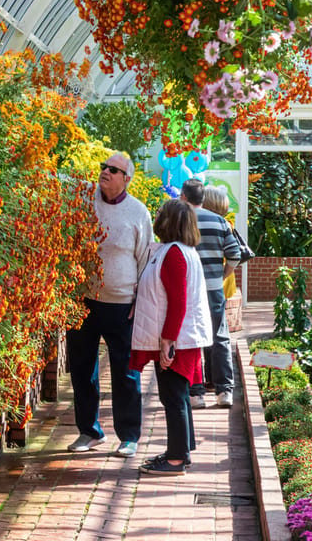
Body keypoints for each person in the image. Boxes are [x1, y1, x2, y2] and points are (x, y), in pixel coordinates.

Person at [66, 152, 153, 458]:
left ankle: (129, 436)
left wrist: (139, 298)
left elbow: (145, 259)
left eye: (113, 169)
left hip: (122, 305)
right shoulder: (83, 202)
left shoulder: (138, 212)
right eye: (103, 167)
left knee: (126, 371)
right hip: (84, 300)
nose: (104, 172)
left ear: (126, 179)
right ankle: (89, 431)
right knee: (81, 368)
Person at [131, 199, 212, 475]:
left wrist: (168, 340)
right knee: (176, 395)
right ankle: (181, 450)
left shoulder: (175, 254)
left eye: (160, 214)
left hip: (176, 338)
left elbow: (178, 301)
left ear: (169, 222)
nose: (157, 217)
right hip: (180, 336)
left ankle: (177, 459)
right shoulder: (180, 251)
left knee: (173, 396)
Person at [180, 179, 241, 408]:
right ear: (203, 198)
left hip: (188, 290)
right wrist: (223, 274)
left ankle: (196, 393)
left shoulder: (180, 222)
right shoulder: (220, 221)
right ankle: (224, 391)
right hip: (214, 288)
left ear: (184, 197)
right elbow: (234, 254)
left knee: (191, 338)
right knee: (220, 337)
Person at [203, 187, 238, 301]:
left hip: (214, 278)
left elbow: (234, 254)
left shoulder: (220, 224)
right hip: (222, 277)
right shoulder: (226, 224)